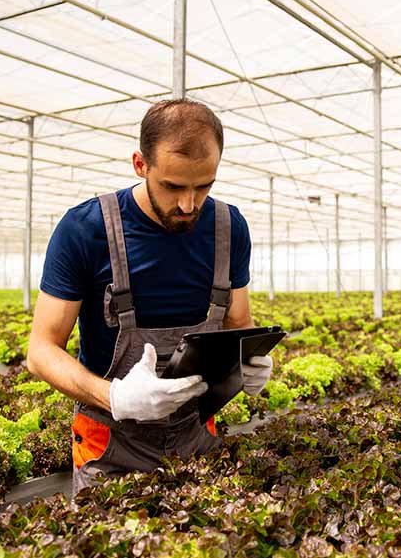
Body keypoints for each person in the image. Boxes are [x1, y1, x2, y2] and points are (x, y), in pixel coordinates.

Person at [27, 99, 273, 494]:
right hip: (111, 446)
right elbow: (41, 351)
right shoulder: (85, 230)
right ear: (140, 164)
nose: (189, 204)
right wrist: (115, 397)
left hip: (197, 436)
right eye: (173, 186)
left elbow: (238, 323)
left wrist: (249, 361)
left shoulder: (230, 228)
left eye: (203, 186)